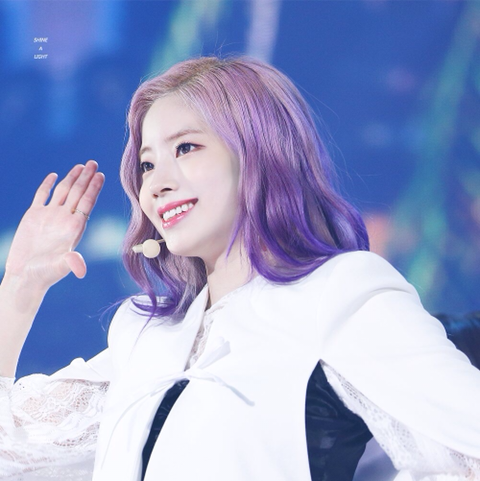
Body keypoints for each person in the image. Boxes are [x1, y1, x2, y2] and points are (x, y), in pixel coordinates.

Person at [0, 56, 479, 481]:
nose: (157, 184)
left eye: (185, 148)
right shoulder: (145, 332)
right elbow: (11, 453)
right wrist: (19, 285)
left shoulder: (341, 293)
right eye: (147, 165)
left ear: (257, 153)